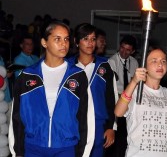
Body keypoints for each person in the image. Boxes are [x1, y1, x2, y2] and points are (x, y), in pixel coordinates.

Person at [9, 21, 93, 157]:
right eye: (57, 39)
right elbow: (16, 117)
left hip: (66, 147)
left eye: (66, 39)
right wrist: (17, 152)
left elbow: (86, 117)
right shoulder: (27, 75)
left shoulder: (77, 76)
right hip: (33, 147)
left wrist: (83, 152)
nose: (63, 43)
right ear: (44, 42)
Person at [114, 48, 167, 156]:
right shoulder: (135, 92)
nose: (160, 65)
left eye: (163, 61)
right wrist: (134, 82)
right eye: (154, 61)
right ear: (144, 67)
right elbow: (118, 112)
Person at [68, 23, 116, 157]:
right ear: (76, 42)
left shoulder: (105, 66)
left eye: (93, 39)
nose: (90, 43)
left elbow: (111, 99)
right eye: (85, 38)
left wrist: (111, 127)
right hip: (72, 123)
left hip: (98, 124)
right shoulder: (68, 66)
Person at [108, 35, 139, 157]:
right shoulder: (112, 62)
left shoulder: (134, 62)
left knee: (129, 133)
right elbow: (112, 88)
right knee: (118, 134)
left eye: (127, 50)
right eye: (122, 48)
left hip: (131, 102)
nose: (123, 52)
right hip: (117, 102)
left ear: (132, 51)